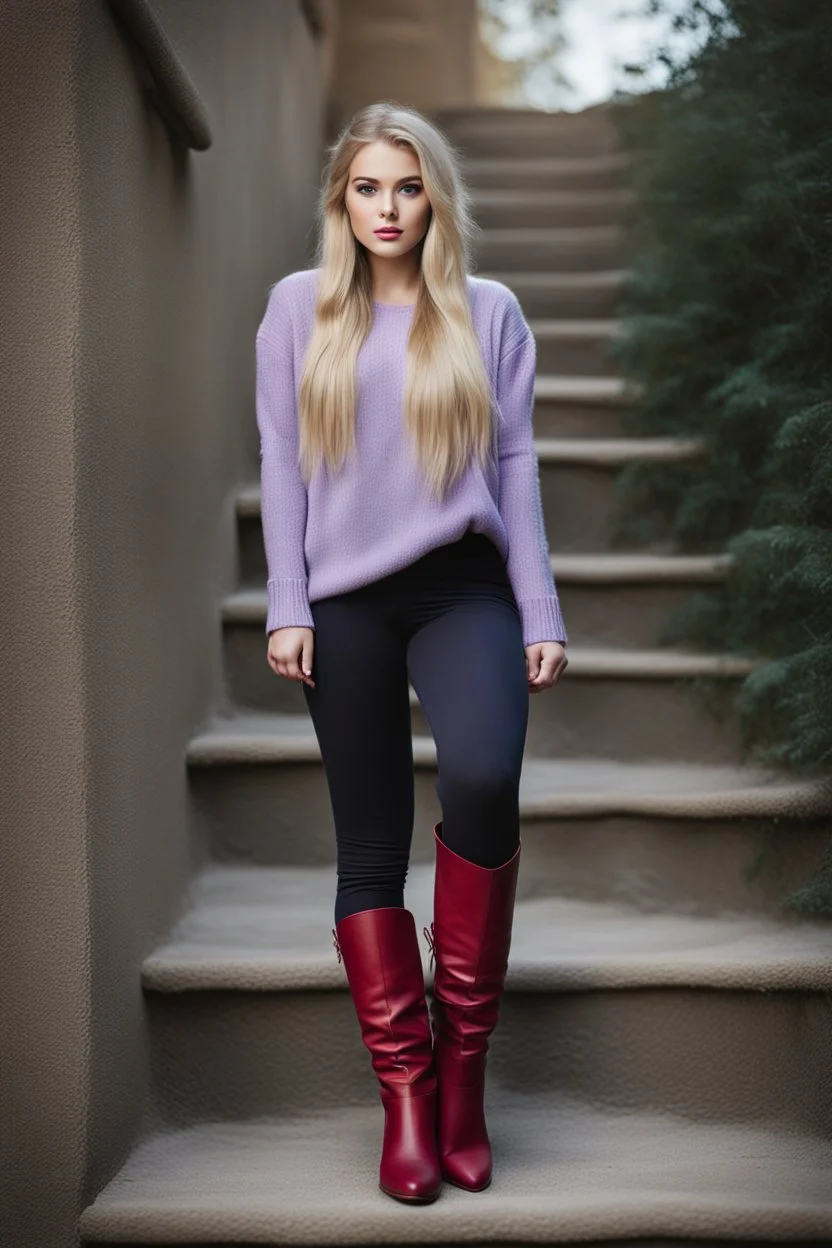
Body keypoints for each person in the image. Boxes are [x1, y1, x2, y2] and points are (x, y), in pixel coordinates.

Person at [255, 100, 568, 1205]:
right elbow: (283, 466)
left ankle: (463, 1077)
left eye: (408, 187)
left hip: (461, 586)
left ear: (436, 195)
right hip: (340, 601)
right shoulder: (299, 310)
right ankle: (405, 1096)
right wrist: (285, 602)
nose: (388, 209)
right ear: (341, 200)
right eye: (365, 189)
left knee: (483, 775)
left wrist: (539, 611)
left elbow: (518, 463)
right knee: (370, 843)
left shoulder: (487, 313)